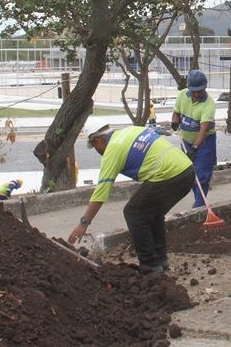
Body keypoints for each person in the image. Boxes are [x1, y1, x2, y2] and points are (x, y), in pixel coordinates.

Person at [67, 123, 195, 273]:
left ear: (97, 141)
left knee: (133, 212)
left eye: (95, 147)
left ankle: (150, 265)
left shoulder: (112, 150)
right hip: (187, 171)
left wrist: (84, 223)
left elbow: (100, 193)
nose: (97, 151)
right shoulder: (130, 131)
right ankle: (160, 260)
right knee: (152, 213)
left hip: (169, 175)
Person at [171, 69, 217, 208]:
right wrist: (175, 121)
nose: (196, 94)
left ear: (205, 88)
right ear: (189, 88)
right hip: (186, 141)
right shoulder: (182, 95)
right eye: (194, 91)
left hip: (205, 142)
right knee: (190, 174)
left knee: (202, 175)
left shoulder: (209, 104)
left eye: (200, 91)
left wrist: (195, 148)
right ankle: (199, 200)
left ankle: (199, 205)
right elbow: (176, 112)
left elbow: (204, 129)